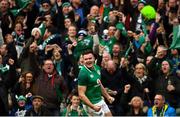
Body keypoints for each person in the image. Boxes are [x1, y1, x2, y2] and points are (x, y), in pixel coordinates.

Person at [78, 50, 114, 116]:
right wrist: (93, 106)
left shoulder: (97, 68)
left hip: (99, 100)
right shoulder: (83, 73)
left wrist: (107, 96)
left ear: (94, 58)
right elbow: (81, 95)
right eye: (86, 59)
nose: (88, 60)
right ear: (83, 60)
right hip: (91, 104)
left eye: (90, 58)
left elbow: (99, 84)